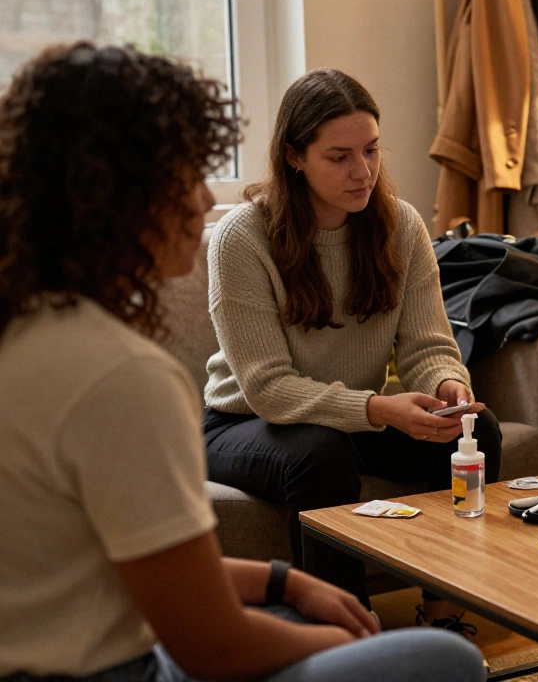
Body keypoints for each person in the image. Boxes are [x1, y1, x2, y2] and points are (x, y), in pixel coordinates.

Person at [0, 43, 484, 682]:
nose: (204, 199)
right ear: (113, 198)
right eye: (185, 177)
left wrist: (286, 583)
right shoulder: (122, 378)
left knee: (465, 444)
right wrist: (345, 650)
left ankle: (445, 600)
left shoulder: (29, 331)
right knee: (447, 664)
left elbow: (117, 566)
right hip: (119, 660)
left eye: (369, 150)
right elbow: (215, 649)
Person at [202, 68, 502, 605]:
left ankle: (455, 599)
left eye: (371, 150)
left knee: (477, 430)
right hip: (245, 422)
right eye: (339, 157)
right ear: (295, 156)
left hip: (349, 420)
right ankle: (342, 631)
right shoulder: (241, 238)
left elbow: (427, 345)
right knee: (320, 453)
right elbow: (268, 389)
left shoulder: (400, 226)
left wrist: (450, 385)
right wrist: (380, 410)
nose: (362, 171)